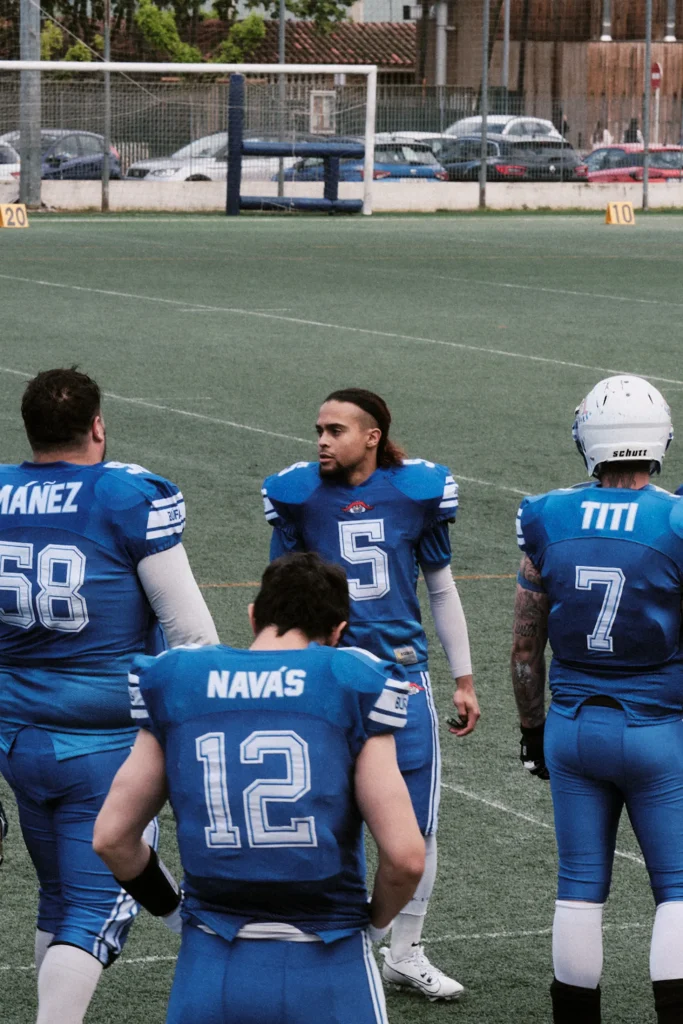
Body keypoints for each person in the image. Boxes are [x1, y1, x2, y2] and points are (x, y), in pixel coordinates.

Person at [94, 551, 425, 1024]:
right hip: (328, 960)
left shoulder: (180, 678)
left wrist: (173, 912)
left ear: (253, 617)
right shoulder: (351, 680)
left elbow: (111, 838)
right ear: (337, 632)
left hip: (210, 963)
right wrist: (374, 926)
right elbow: (407, 859)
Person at [0, 368, 219, 1024]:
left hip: (17, 737)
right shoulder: (124, 495)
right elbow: (192, 635)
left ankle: (188, 928)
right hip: (105, 743)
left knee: (59, 898)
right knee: (94, 912)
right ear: (97, 425)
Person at [261, 388, 479, 1000]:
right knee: (320, 817)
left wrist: (463, 678)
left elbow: (440, 589)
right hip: (325, 680)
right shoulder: (299, 494)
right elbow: (277, 594)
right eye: (319, 430)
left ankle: (404, 952)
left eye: (336, 430)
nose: (322, 441)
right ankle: (322, 940)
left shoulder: (416, 491)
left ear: (372, 437)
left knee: (417, 824)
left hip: (400, 676)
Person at [511, 374, 683, 1024]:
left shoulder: (547, 515)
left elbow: (524, 648)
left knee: (579, 890)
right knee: (677, 890)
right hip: (657, 730)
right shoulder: (674, 520)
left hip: (572, 726)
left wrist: (532, 730)